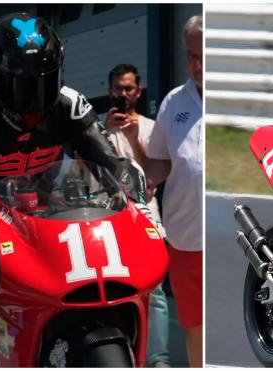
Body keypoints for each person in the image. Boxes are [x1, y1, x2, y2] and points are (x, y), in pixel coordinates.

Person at [0, 13, 148, 367]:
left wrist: (134, 193)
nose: (33, 99)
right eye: (22, 86)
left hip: (49, 224)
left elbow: (110, 162)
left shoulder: (69, 104)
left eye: (43, 83)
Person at [103, 63, 171, 367]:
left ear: (138, 92)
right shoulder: (96, 128)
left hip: (145, 218)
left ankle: (159, 360)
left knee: (154, 291)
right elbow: (79, 170)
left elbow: (155, 173)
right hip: (106, 220)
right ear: (109, 91)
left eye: (128, 88)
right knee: (109, 291)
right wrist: (104, 132)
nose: (123, 94)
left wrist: (132, 138)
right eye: (118, 88)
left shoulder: (150, 128)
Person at [145, 15, 203, 368]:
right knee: (195, 327)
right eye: (190, 56)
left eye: (202, 56)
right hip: (182, 240)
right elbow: (159, 161)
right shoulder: (173, 103)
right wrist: (145, 180)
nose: (196, 65)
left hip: (224, 236)